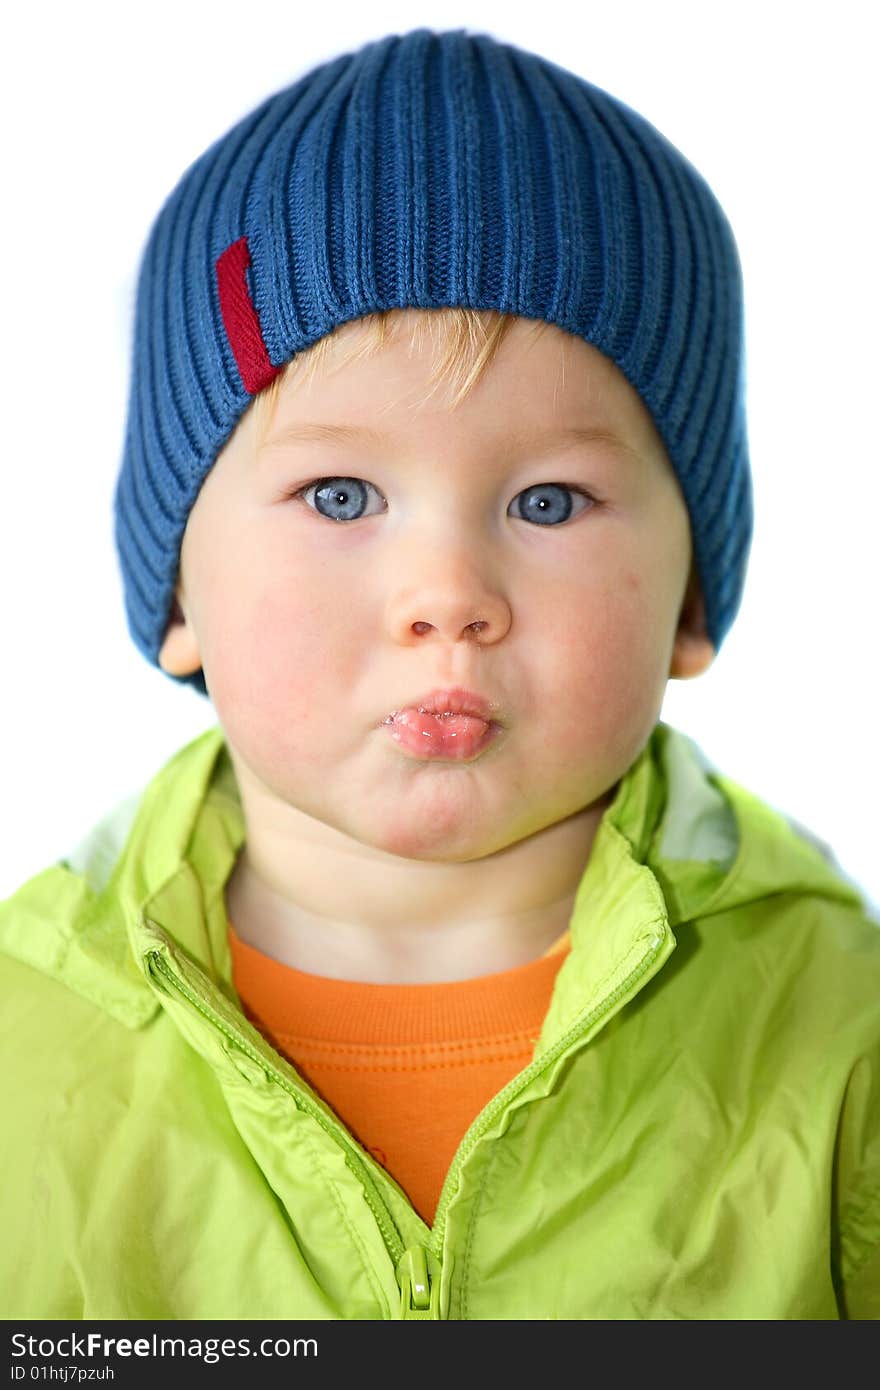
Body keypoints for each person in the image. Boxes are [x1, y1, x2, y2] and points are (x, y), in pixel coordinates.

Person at [1, 26, 878, 1322]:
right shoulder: (31, 1041)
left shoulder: (837, 1025)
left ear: (690, 601)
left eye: (550, 499)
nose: (449, 598)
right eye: (341, 493)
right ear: (181, 592)